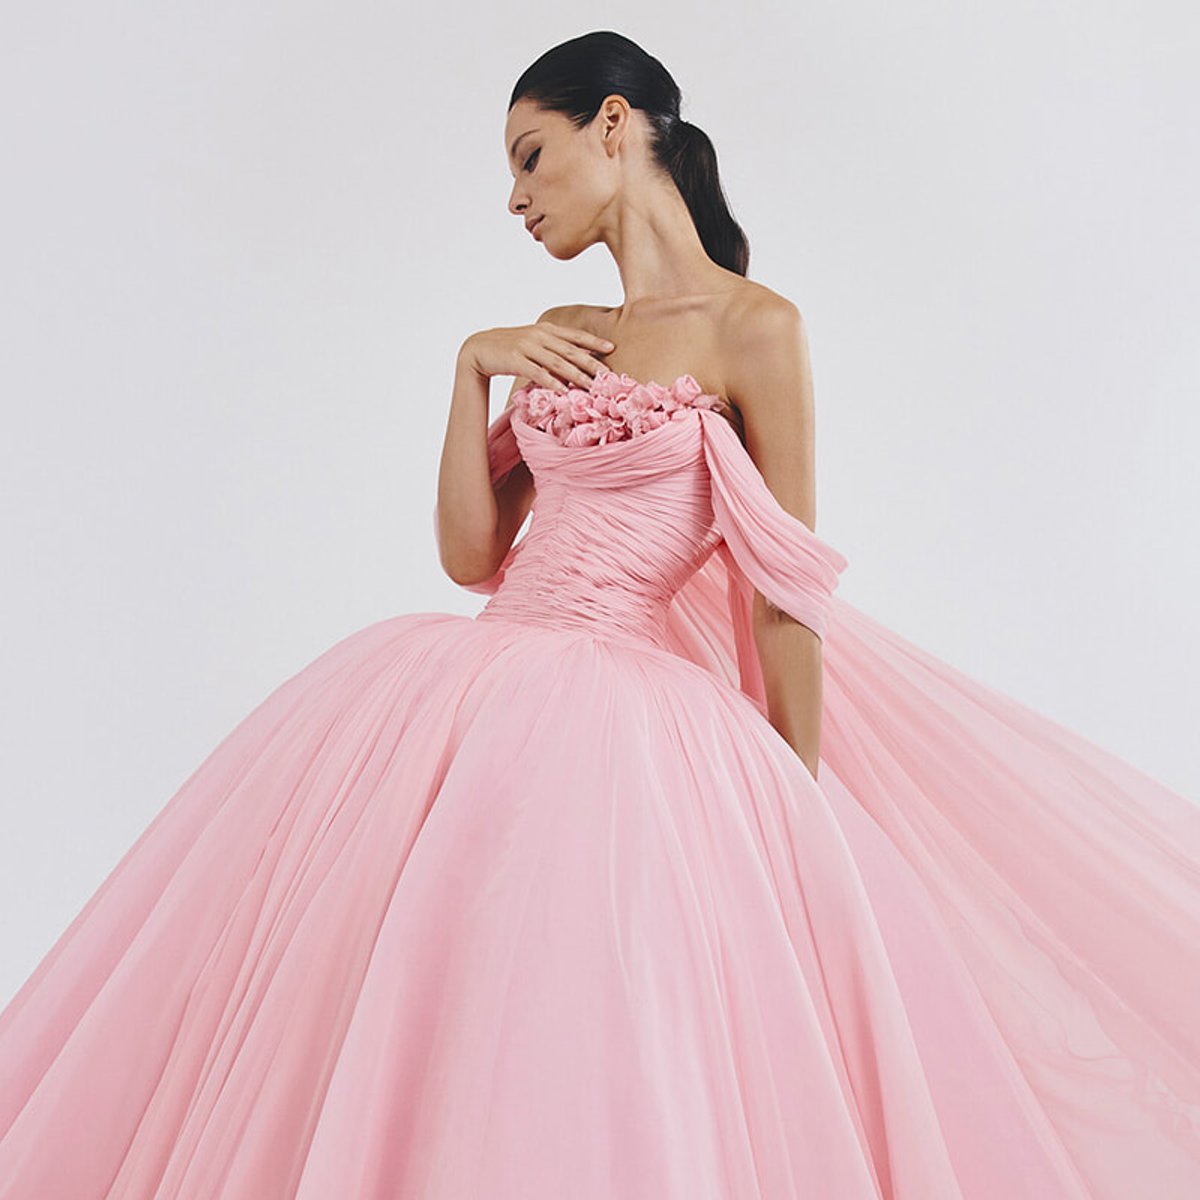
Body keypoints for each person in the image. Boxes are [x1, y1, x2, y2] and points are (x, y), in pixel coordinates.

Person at [1, 28, 1197, 1200]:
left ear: (613, 125)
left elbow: (781, 583)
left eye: (530, 155)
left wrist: (797, 804)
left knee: (587, 1013)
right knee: (413, 989)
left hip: (625, 733)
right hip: (467, 700)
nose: (515, 199)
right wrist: (473, 363)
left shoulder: (756, 327)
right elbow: (473, 558)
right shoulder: (565, 338)